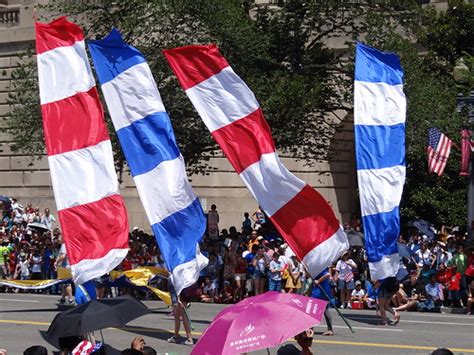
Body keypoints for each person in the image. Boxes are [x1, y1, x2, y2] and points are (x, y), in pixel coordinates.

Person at [311, 268, 334, 336]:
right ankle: (311, 328)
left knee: (314, 309)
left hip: (321, 290)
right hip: (318, 289)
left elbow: (327, 275)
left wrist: (318, 281)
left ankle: (329, 329)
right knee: (322, 309)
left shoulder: (322, 266)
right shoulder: (315, 267)